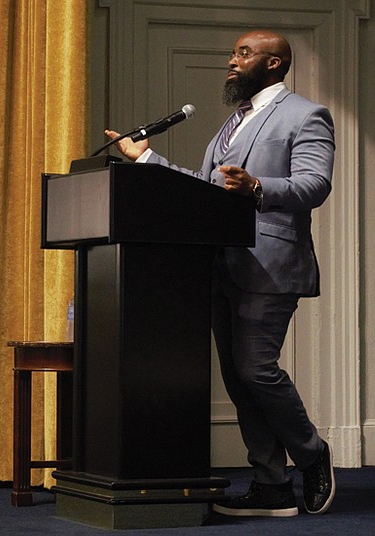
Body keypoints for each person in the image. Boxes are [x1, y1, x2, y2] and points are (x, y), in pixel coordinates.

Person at [105, 30, 335, 517]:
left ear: (275, 64)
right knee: (237, 378)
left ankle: (312, 453)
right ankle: (271, 483)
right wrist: (146, 159)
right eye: (234, 53)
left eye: (244, 53)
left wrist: (256, 187)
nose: (233, 60)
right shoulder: (231, 124)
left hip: (270, 265)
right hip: (219, 265)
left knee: (257, 369)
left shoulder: (306, 115)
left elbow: (314, 184)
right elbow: (208, 193)